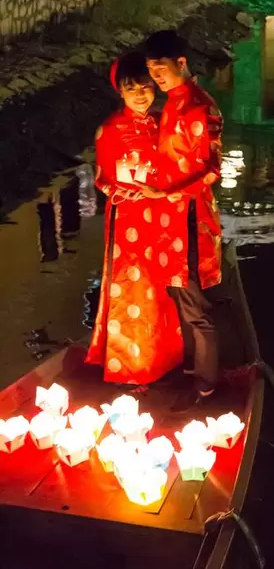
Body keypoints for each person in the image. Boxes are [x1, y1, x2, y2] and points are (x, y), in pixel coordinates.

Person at [86, 52, 183, 386]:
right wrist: (124, 193)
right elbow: (101, 178)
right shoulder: (110, 130)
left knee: (162, 286)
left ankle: (166, 356)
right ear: (120, 92)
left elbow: (174, 167)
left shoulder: (164, 124)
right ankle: (129, 363)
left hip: (162, 217)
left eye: (146, 87)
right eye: (132, 89)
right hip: (127, 220)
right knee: (131, 287)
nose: (141, 94)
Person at [144, 30, 223, 409]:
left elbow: (211, 170)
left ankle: (207, 384)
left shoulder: (200, 107)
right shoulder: (168, 108)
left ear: (181, 63)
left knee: (192, 301)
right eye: (151, 71)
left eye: (160, 69)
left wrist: (169, 193)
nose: (156, 78)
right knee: (176, 294)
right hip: (166, 216)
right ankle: (191, 369)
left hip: (188, 216)